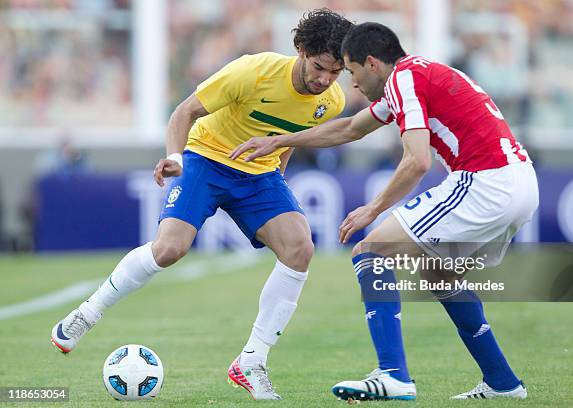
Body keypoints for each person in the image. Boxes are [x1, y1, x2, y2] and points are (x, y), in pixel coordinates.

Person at [50, 9, 353, 401]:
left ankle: (251, 361)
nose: (325, 80)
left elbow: (289, 137)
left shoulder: (331, 101)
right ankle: (87, 313)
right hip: (206, 159)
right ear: (300, 50)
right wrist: (176, 158)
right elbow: (184, 112)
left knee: (300, 248)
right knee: (169, 249)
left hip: (258, 175)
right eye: (319, 68)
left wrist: (276, 176)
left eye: (336, 72)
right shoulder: (253, 71)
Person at [230, 22, 538, 401]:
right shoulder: (418, 74)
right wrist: (280, 140)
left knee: (370, 252)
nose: (353, 84)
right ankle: (503, 382)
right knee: (438, 274)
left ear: (372, 63)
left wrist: (371, 210)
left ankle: (393, 375)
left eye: (353, 71)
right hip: (521, 181)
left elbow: (417, 161)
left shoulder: (403, 80)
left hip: (486, 182)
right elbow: (349, 130)